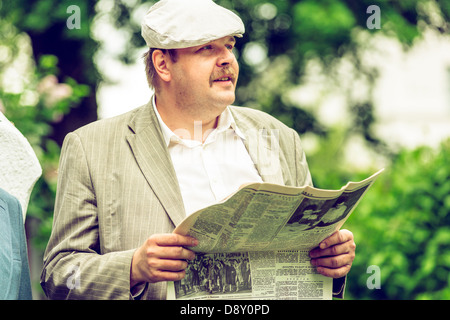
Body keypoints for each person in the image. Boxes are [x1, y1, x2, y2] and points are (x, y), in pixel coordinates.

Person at [40, 0, 355, 300]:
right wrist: (133, 268)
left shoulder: (280, 138)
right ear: (163, 64)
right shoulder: (90, 147)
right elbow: (59, 274)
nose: (227, 60)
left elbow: (310, 257)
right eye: (207, 48)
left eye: (229, 46)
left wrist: (332, 263)